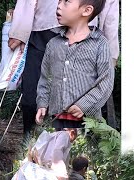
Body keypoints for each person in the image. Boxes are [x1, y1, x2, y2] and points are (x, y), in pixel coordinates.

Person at [8, 0, 119, 137]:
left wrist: (111, 48)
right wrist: (20, 30)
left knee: (77, 104)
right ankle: (30, 148)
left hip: (86, 36)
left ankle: (74, 152)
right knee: (31, 100)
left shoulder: (98, 45)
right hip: (42, 31)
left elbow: (110, 5)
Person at [35, 0, 114, 128]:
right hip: (57, 120)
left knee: (84, 148)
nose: (59, 5)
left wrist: (84, 104)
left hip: (87, 122)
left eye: (66, 2)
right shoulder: (53, 44)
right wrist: (42, 104)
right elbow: (46, 78)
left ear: (86, 10)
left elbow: (106, 81)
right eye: (59, 1)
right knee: (57, 147)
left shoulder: (100, 44)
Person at [12, 128, 78, 180]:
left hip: (31, 169)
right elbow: (57, 152)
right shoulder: (65, 135)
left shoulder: (53, 135)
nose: (72, 142)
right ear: (72, 133)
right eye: (74, 138)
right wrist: (61, 174)